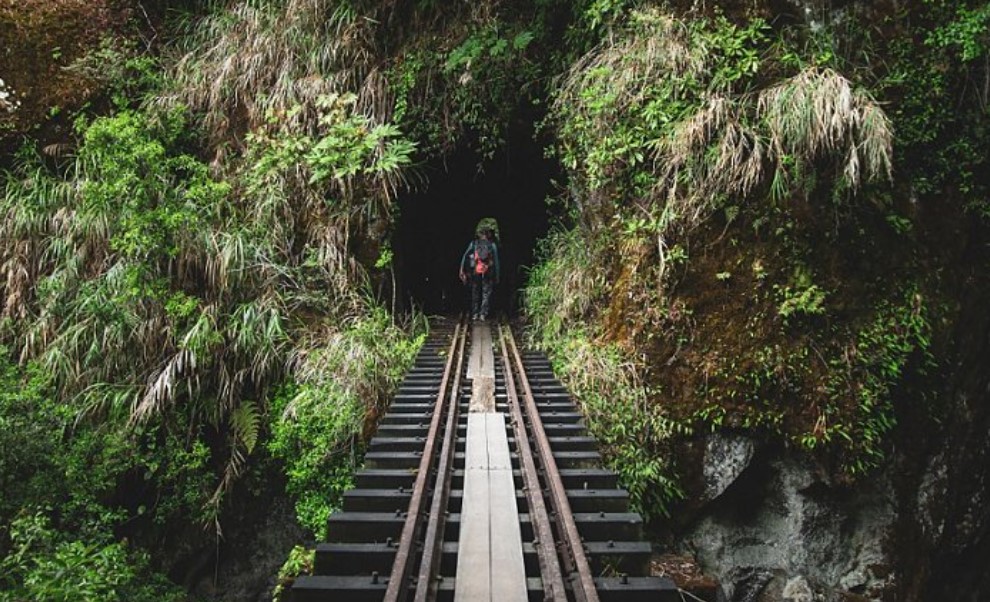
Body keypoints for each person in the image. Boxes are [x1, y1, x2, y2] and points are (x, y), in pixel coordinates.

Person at [459, 227, 500, 321]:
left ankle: (475, 314)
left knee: (475, 292)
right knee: (486, 293)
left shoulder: (473, 244)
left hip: (475, 271)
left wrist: (461, 270)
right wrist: (497, 276)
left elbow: (465, 256)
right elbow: (496, 262)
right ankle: (483, 314)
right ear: (488, 235)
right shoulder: (492, 245)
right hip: (488, 272)